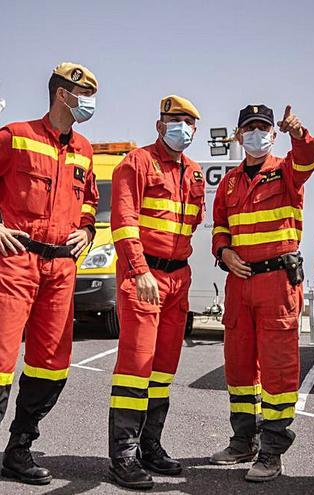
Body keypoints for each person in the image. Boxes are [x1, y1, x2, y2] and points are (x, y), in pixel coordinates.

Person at [0, 62, 99, 495]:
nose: (90, 102)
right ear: (62, 95)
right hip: (18, 261)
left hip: (62, 270)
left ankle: (20, 448)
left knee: (52, 364)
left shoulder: (86, 149)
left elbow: (89, 200)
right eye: (84, 93)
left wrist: (87, 231)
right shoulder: (17, 135)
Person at [209, 104, 314, 482]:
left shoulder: (286, 170)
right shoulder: (229, 183)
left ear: (273, 134)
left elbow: (310, 157)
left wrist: (298, 132)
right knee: (239, 366)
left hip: (277, 282)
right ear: (240, 136)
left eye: (263, 128)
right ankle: (243, 441)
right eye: (250, 128)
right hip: (239, 283)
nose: (257, 134)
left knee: (278, 369)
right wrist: (223, 251)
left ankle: (272, 450)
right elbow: (220, 225)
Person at [106, 95, 205, 490]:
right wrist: (140, 269)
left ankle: (151, 445)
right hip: (143, 277)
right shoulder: (136, 163)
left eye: (189, 122)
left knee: (163, 369)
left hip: (178, 280)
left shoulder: (195, 173)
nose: (183, 127)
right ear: (160, 125)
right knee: (136, 365)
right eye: (175, 120)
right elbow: (124, 222)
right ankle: (123, 456)